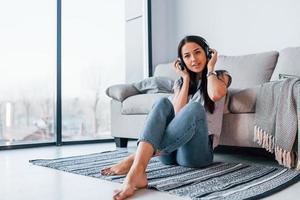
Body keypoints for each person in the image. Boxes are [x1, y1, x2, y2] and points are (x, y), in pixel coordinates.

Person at [101, 35, 232, 200]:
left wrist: (211, 68)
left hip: (197, 155)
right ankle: (139, 169)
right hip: (170, 154)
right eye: (187, 56)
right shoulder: (180, 82)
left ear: (208, 53)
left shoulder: (220, 76)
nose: (193, 59)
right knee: (162, 102)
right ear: (182, 61)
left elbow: (216, 94)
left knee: (194, 108)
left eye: (197, 52)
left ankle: (135, 164)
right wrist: (185, 79)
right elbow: (176, 114)